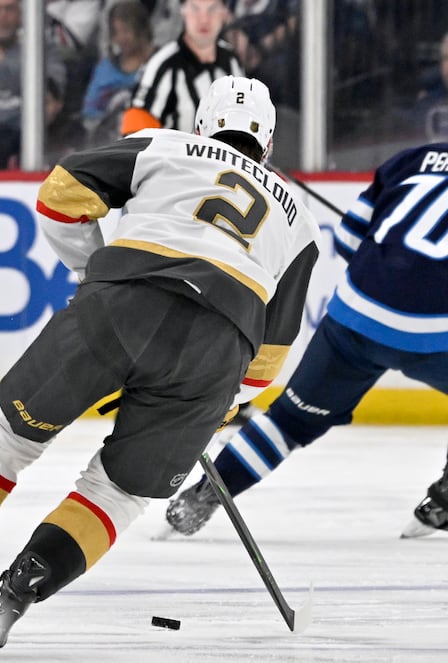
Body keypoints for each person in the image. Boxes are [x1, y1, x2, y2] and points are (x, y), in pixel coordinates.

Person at [0, 77, 322, 653]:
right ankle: (14, 594)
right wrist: (208, 402)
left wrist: (91, 274)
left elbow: (61, 192)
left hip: (118, 304)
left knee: (6, 440)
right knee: (117, 494)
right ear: (270, 141)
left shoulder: (165, 144)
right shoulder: (299, 222)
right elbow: (268, 362)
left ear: (202, 122)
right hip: (217, 350)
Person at [163, 142, 448, 540]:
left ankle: (201, 499)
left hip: (358, 315)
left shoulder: (414, 159)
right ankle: (444, 501)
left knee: (288, 422)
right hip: (439, 335)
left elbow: (349, 241)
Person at [121, 0, 242, 136]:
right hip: (170, 156)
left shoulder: (231, 61)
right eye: (195, 9)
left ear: (225, 13)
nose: (204, 19)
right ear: (183, 10)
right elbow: (132, 141)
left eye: (212, 9)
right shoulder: (161, 67)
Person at [0, 0, 67, 147]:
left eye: (9, 9)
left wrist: (2, 64)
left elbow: (51, 96)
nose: (3, 15)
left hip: (29, 140)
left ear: (21, 14)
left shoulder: (43, 51)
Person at [82, 0, 155, 143]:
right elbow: (90, 112)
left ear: (141, 29)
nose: (120, 38)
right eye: (116, 32)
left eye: (126, 31)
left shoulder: (161, 62)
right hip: (111, 142)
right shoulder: (106, 68)